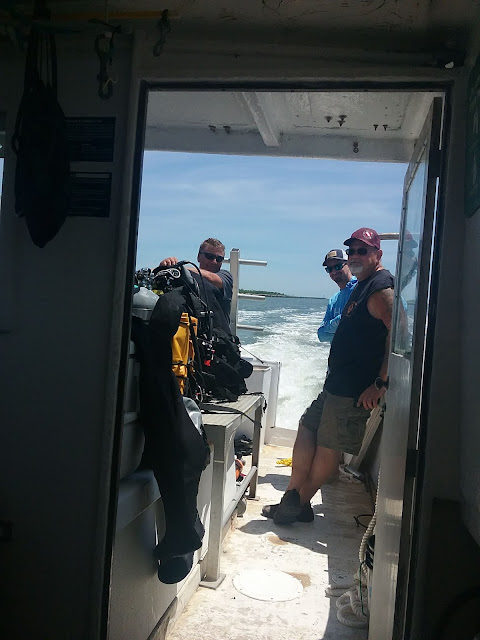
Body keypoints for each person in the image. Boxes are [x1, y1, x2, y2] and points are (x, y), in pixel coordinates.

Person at [263, 227, 394, 525]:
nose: (355, 256)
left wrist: (380, 383)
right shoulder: (361, 285)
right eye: (352, 251)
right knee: (307, 425)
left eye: (362, 250)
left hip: (352, 389)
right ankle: (293, 497)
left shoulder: (380, 288)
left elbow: (398, 335)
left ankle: (297, 504)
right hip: (335, 383)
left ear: (377, 254)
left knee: (328, 446)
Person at [156, 238, 234, 324]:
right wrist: (163, 268)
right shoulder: (184, 275)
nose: (214, 262)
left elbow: (212, 278)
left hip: (217, 330)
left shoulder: (225, 276)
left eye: (219, 259)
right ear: (198, 257)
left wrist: (178, 268)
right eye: (210, 256)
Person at [317, 249, 357, 342]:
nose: (334, 272)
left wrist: (330, 327)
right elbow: (321, 335)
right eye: (329, 269)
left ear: (348, 264)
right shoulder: (333, 300)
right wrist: (341, 319)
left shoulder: (360, 289)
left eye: (338, 266)